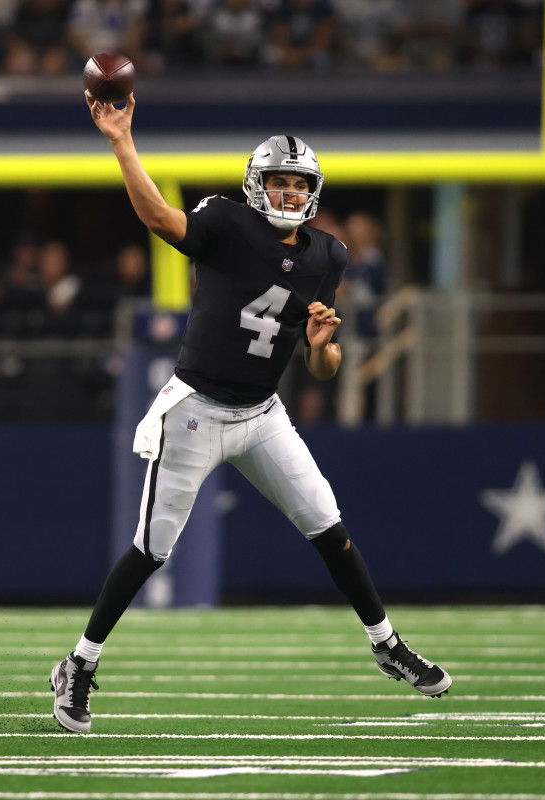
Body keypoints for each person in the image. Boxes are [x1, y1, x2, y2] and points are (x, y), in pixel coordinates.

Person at [49, 94, 452, 733]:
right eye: (279, 183)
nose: (289, 195)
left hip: (263, 412)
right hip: (197, 409)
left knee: (329, 525)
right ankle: (79, 664)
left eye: (299, 185)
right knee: (151, 548)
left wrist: (323, 348)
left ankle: (386, 644)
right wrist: (122, 140)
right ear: (255, 185)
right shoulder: (225, 223)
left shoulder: (328, 256)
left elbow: (323, 366)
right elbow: (158, 217)